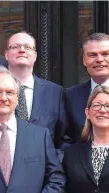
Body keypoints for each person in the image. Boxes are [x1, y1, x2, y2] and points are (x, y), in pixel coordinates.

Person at [5, 31, 66, 159]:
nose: (22, 50)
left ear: (35, 55)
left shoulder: (55, 92)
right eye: (15, 47)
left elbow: (64, 137)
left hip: (44, 172)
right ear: (6, 55)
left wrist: (53, 163)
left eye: (27, 47)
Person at [65, 33, 109, 143]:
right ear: (84, 60)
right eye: (92, 55)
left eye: (105, 54)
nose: (99, 59)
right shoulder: (71, 96)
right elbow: (66, 138)